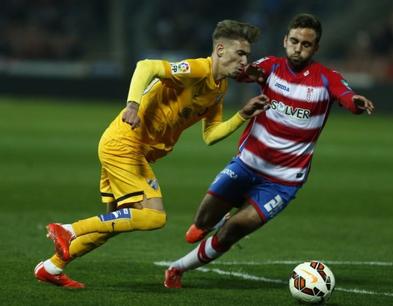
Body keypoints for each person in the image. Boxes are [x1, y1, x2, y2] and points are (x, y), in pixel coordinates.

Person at [34, 19, 269, 288]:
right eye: (240, 53)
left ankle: (52, 267)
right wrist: (132, 106)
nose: (245, 60)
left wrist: (242, 115)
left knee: (111, 223)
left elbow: (211, 135)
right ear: (219, 50)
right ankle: (69, 229)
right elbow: (147, 66)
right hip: (125, 145)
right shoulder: (197, 69)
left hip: (131, 149)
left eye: (247, 55)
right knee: (153, 216)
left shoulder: (218, 89)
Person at [164, 13, 375, 288]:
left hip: (283, 180)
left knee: (233, 230)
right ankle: (213, 220)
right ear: (285, 40)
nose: (299, 48)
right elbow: (245, 72)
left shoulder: (327, 78)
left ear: (316, 49)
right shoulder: (271, 66)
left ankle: (177, 269)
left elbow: (346, 97)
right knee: (200, 223)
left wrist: (354, 103)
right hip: (247, 163)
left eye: (306, 44)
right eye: (294, 41)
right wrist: (247, 73)